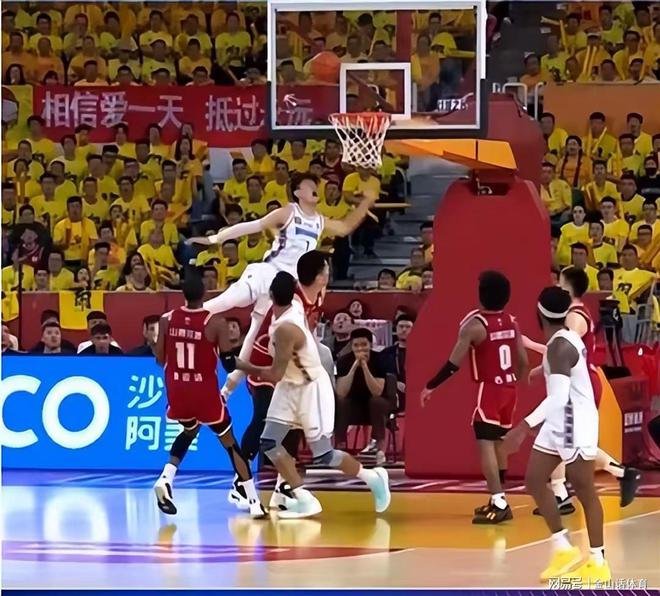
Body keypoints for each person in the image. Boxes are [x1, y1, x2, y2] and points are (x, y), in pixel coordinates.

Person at [236, 271, 390, 518]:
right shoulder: (291, 309)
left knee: (324, 454)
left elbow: (274, 374)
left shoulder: (286, 329)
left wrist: (242, 366)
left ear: (271, 295)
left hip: (310, 388)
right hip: (289, 384)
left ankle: (372, 477)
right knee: (269, 442)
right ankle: (302, 497)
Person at [502, 287, 609, 584]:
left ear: (539, 314)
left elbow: (559, 398)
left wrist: (523, 427)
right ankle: (563, 548)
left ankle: (598, 561)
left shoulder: (560, 346)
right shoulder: (559, 341)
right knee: (534, 480)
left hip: (576, 421)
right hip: (558, 420)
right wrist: (541, 371)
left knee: (584, 490)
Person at [527, 268, 641, 514]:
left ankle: (562, 493)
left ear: (568, 287)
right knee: (565, 437)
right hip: (576, 380)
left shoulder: (575, 317)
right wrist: (540, 368)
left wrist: (529, 345)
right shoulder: (574, 313)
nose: (557, 286)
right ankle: (613, 475)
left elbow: (565, 350)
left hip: (579, 384)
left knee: (563, 435)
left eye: (560, 282)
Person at [153, 275, 267, 518]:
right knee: (230, 444)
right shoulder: (215, 322)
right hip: (203, 392)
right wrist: (257, 369)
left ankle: (166, 478)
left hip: (177, 389)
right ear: (204, 294)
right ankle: (254, 502)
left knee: (189, 430)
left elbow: (160, 359)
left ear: (183, 294)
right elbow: (229, 364)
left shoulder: (166, 320)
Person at [421, 271, 528, 524]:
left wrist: (430, 386)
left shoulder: (475, 326)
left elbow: (453, 364)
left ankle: (499, 501)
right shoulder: (511, 322)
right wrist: (516, 381)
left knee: (486, 445)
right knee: (499, 443)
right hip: (509, 389)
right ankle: (498, 498)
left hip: (489, 390)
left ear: (481, 295)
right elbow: (523, 361)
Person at [226, 250, 330, 511]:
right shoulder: (291, 298)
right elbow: (257, 335)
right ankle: (240, 482)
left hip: (292, 367)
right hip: (266, 359)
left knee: (294, 425)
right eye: (325, 269)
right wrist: (233, 379)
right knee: (263, 418)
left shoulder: (318, 295)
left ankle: (282, 488)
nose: (328, 274)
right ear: (317, 275)